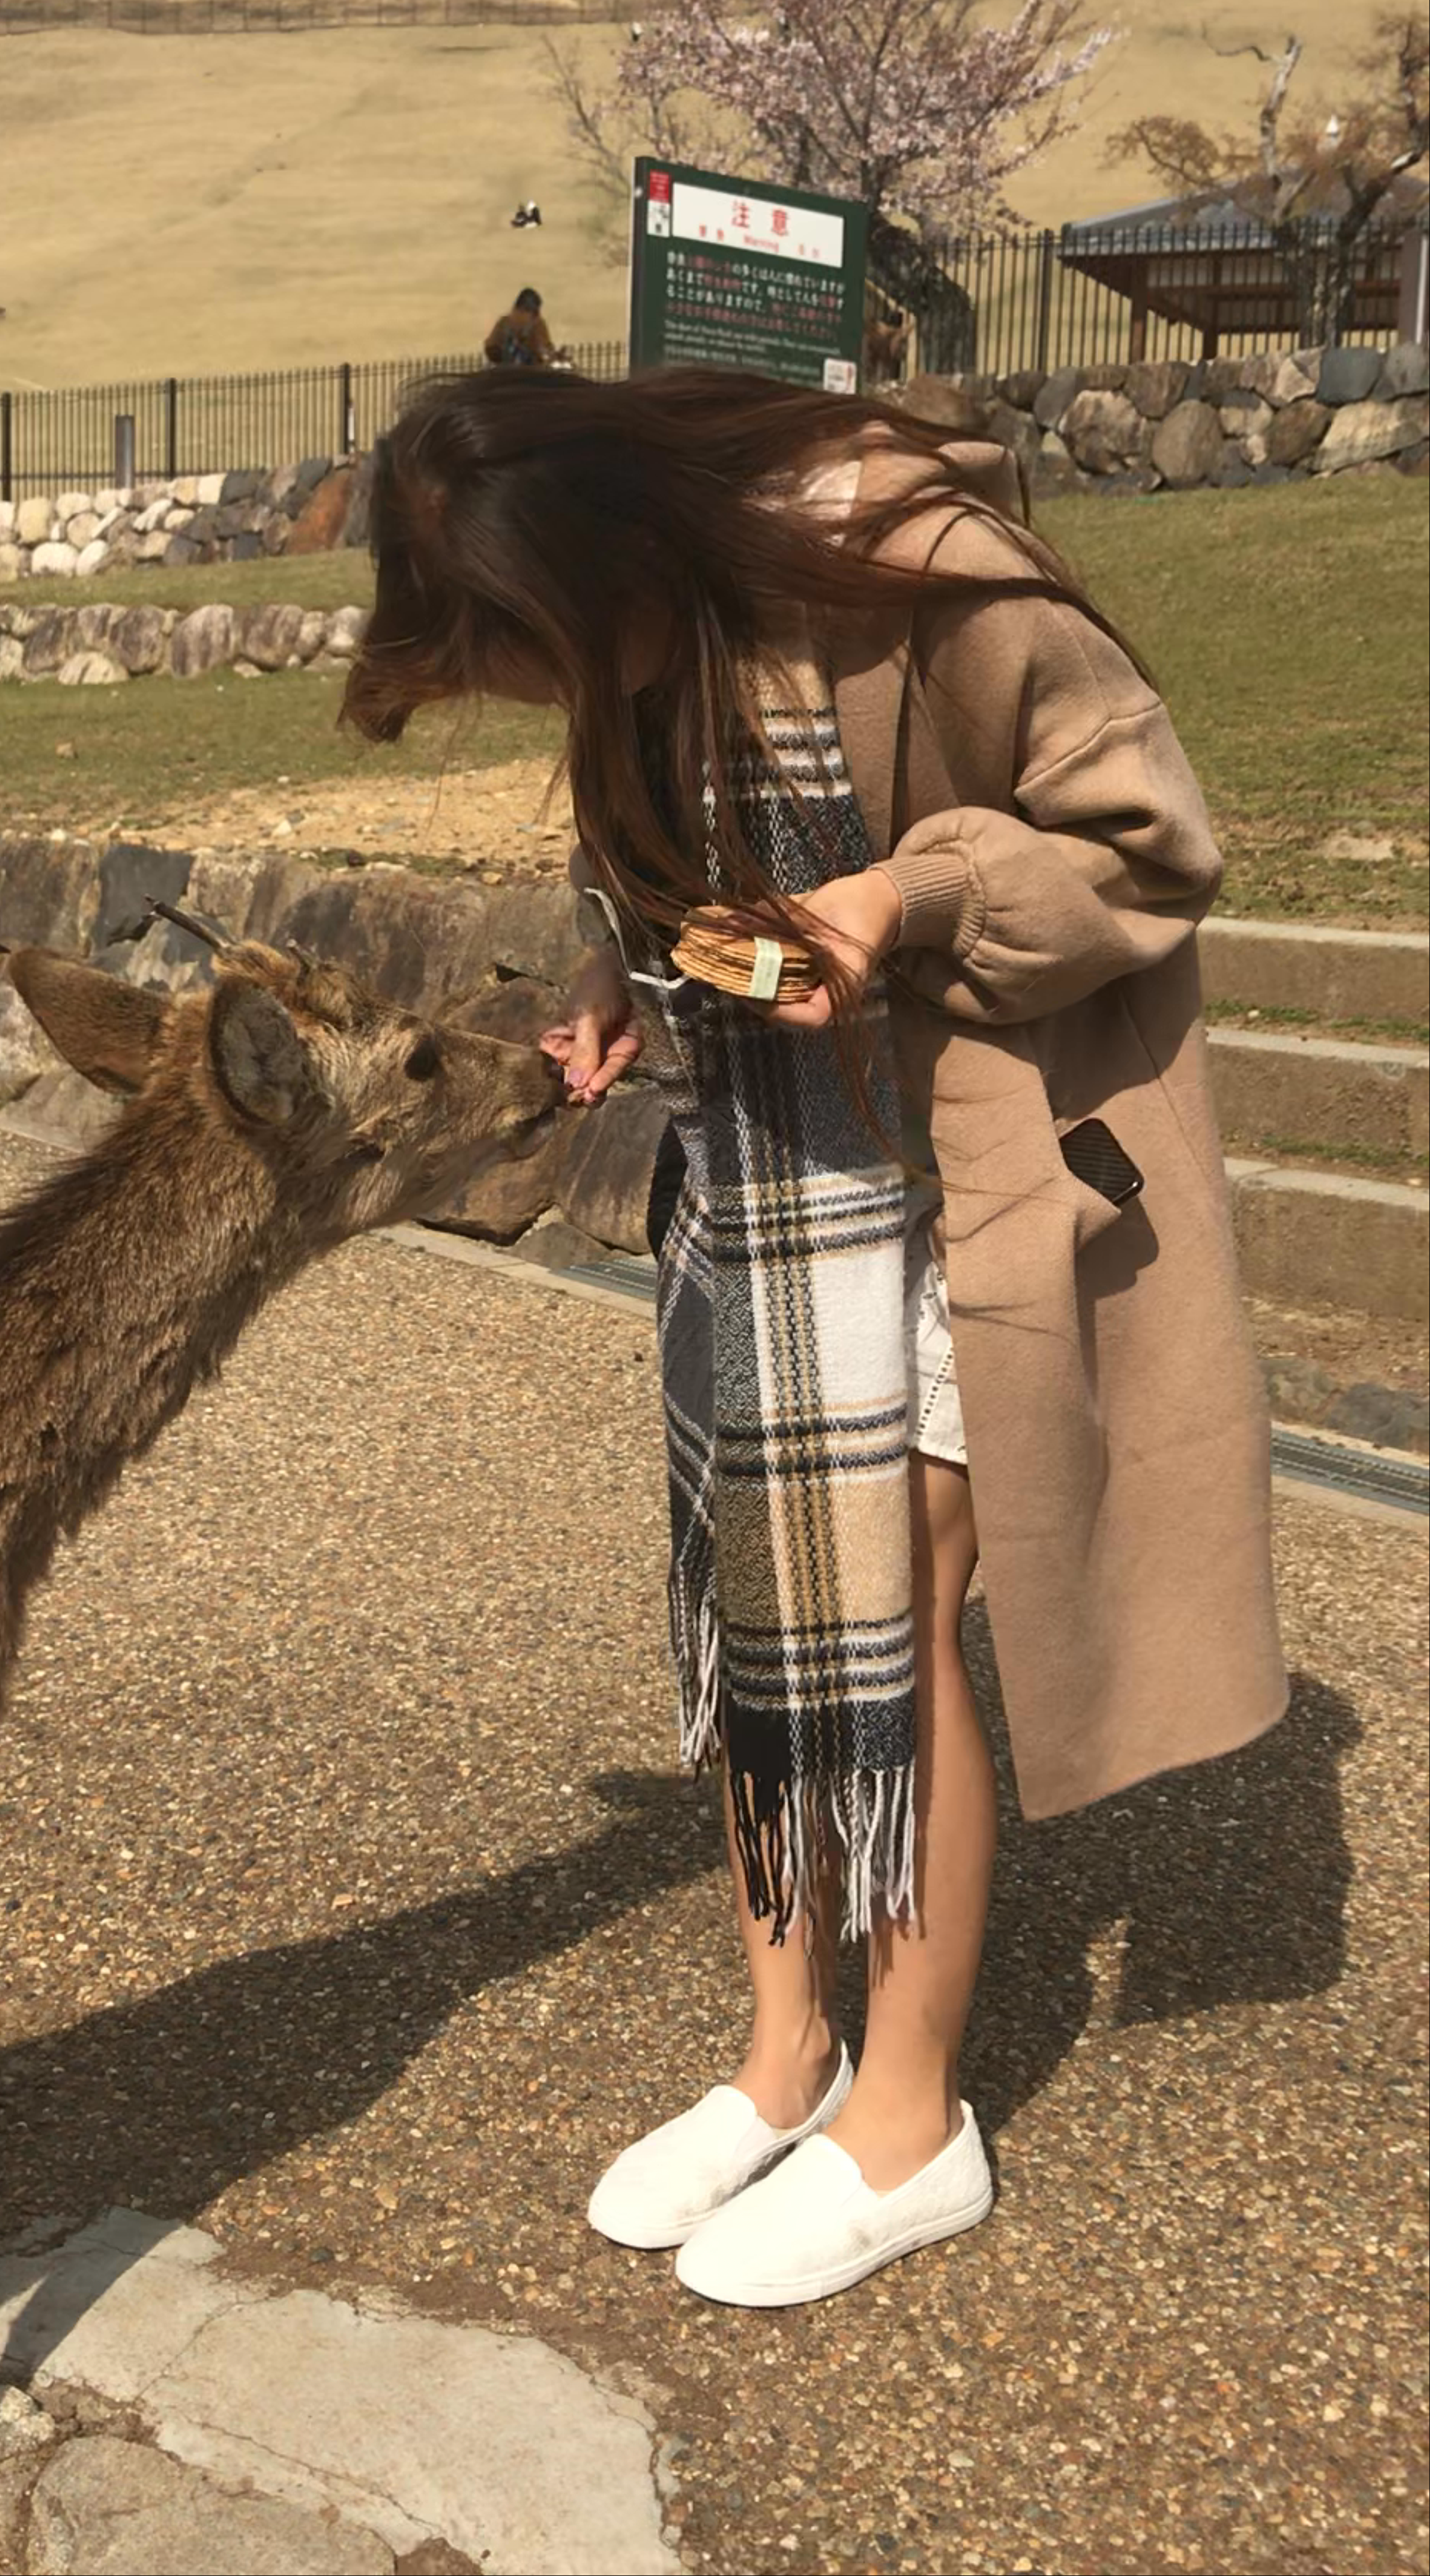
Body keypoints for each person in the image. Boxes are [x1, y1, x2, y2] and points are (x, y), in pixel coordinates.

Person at [340, 366, 1285, 2312]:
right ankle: (788, 2055)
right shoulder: (654, 643)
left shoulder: (910, 570)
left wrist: (899, 890)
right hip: (762, 1176)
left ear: (610, 555)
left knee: (895, 1595)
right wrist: (622, 971)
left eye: (525, 651)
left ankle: (911, 2116)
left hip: (973, 1157)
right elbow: (684, 858)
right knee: (763, 1587)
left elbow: (1150, 843)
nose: (531, 698)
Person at [484, 286, 556, 369]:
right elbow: (492, 349)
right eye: (520, 311)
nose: (520, 317)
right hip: (508, 373)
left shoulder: (537, 325)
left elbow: (544, 350)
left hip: (530, 374)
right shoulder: (504, 324)